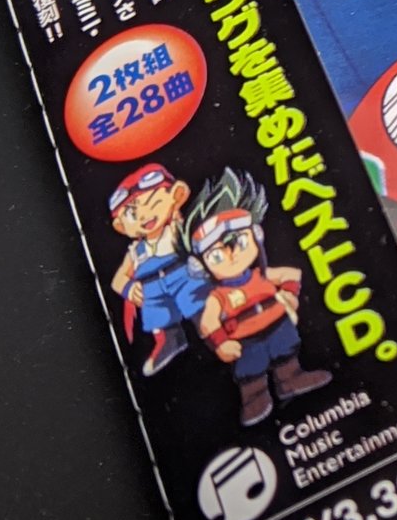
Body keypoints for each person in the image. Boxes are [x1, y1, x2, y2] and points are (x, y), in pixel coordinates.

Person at [187, 167, 331, 426]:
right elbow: (208, 323)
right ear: (201, 266)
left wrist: (289, 296)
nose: (231, 256)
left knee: (286, 356)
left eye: (239, 244)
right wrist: (220, 343)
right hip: (246, 341)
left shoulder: (261, 275)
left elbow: (292, 273)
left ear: (257, 237)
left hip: (279, 327)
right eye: (217, 255)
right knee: (251, 374)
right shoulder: (218, 296)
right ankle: (254, 398)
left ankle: (291, 380)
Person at [106, 162, 206, 376]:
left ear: (177, 195)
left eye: (153, 203)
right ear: (121, 226)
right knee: (156, 315)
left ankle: (212, 326)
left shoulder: (177, 229)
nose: (144, 216)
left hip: (182, 275)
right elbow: (117, 280)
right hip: (152, 288)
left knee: (195, 301)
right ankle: (169, 340)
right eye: (132, 215)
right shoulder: (136, 251)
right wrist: (129, 289)